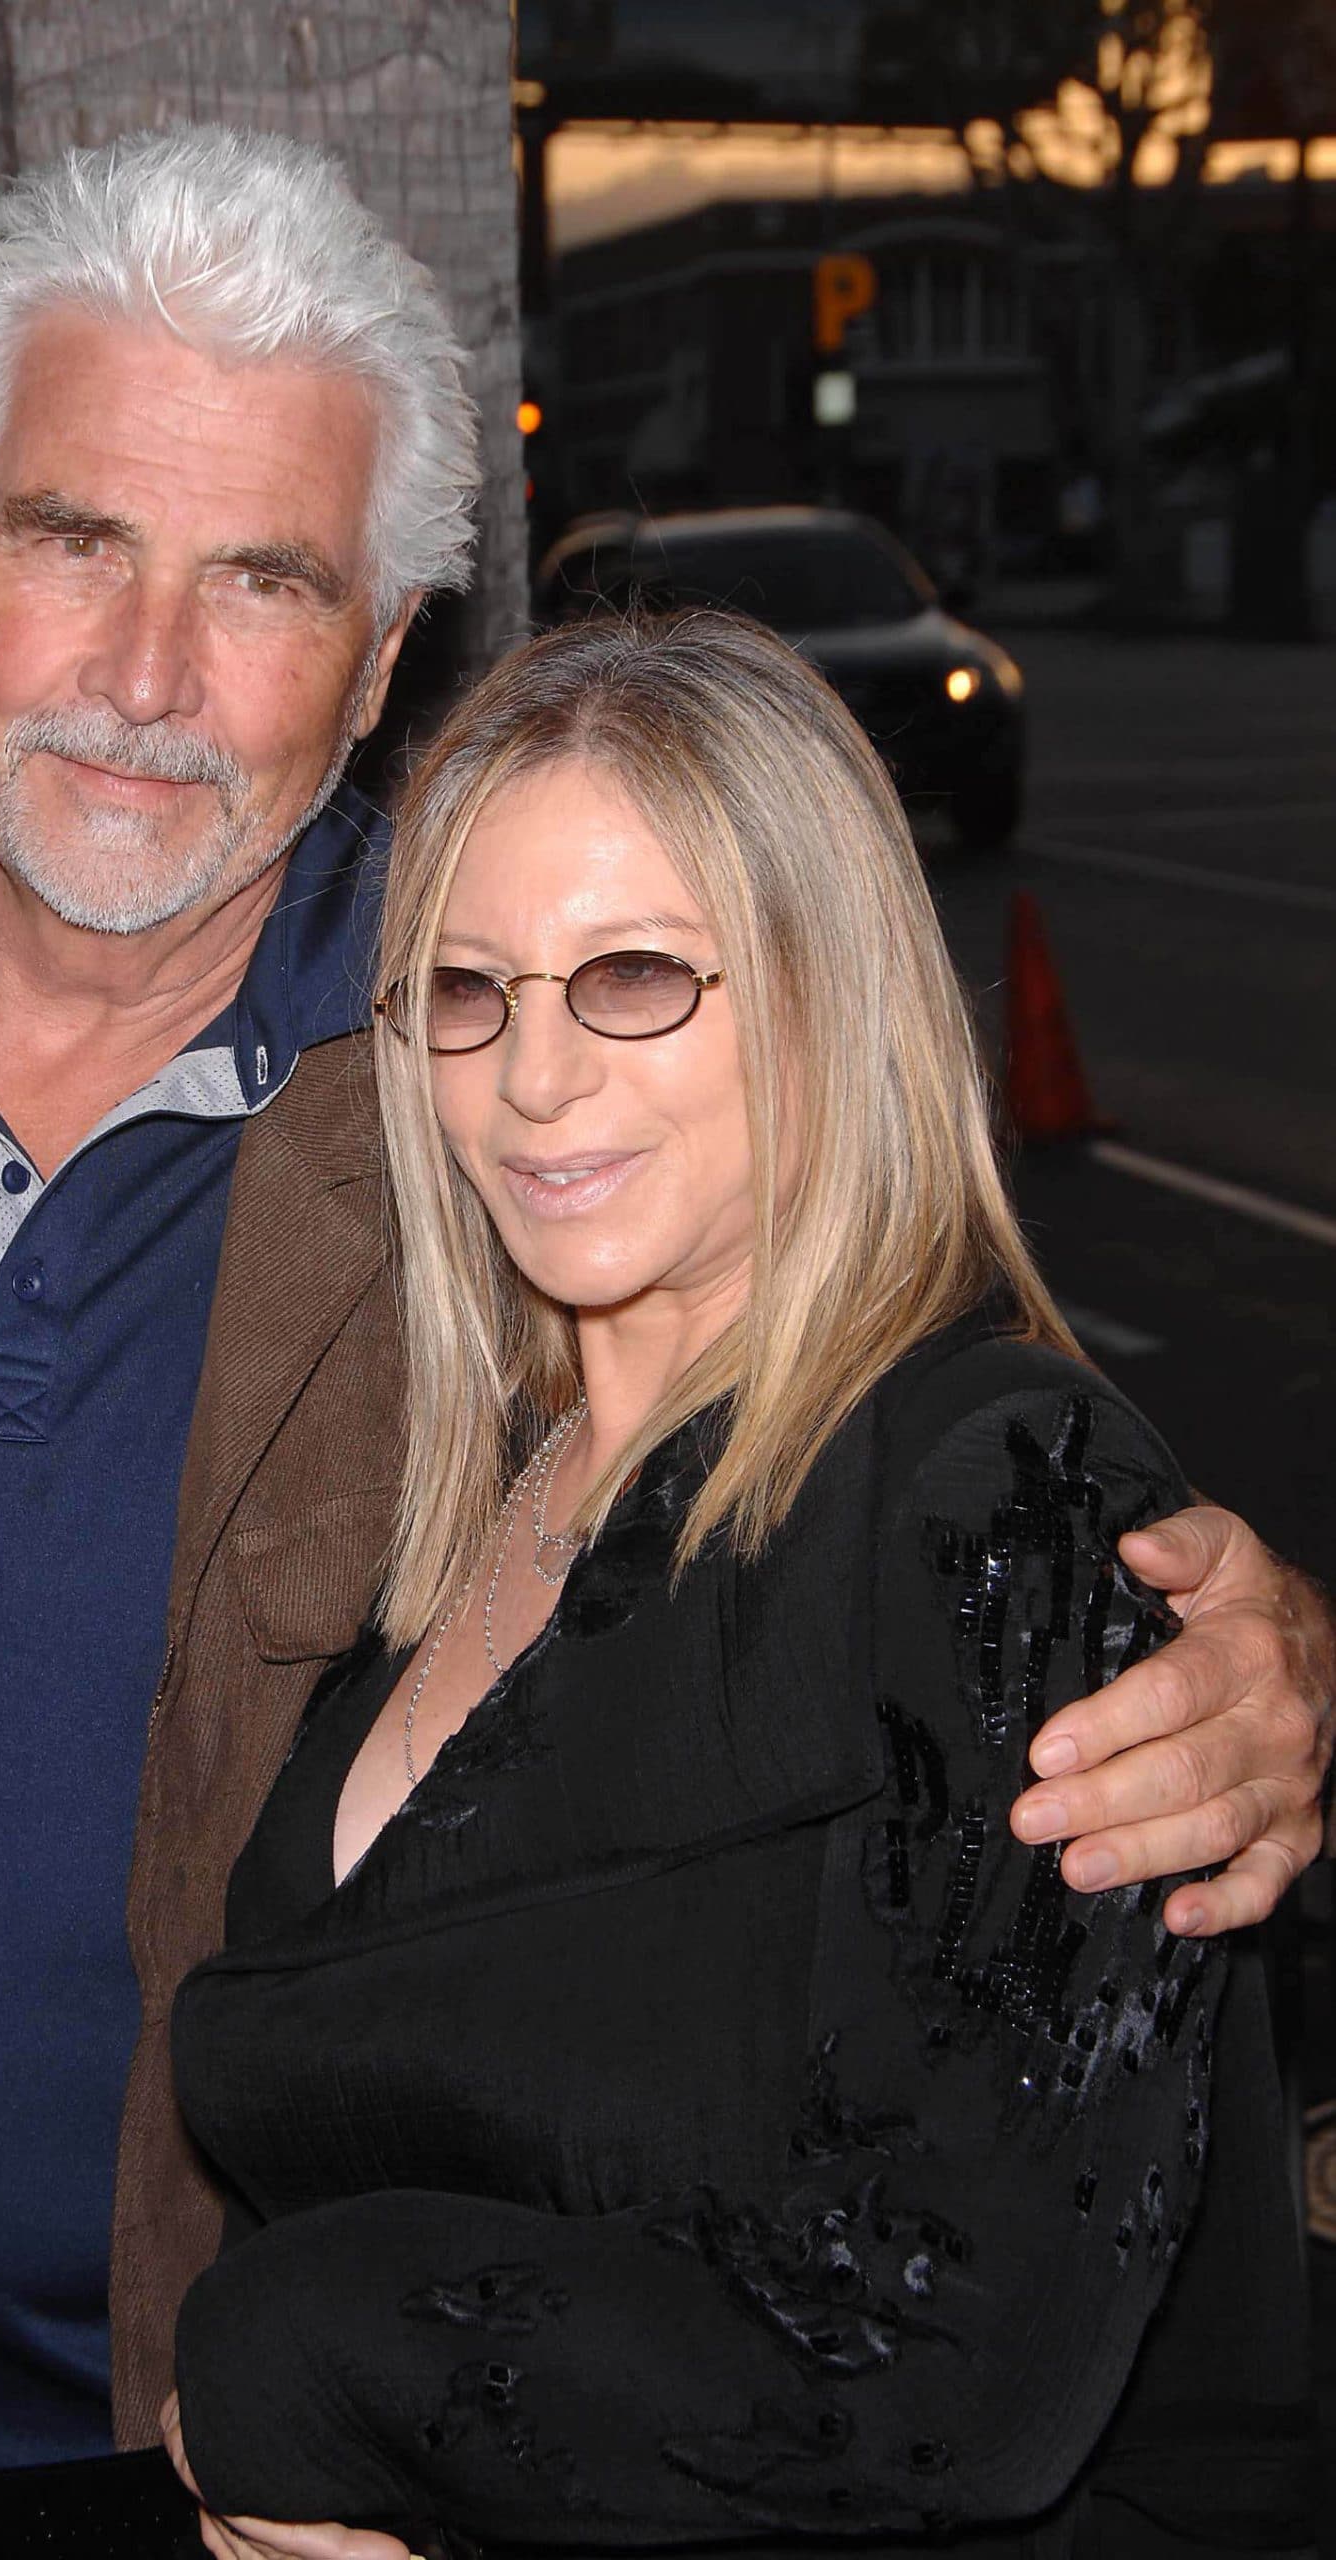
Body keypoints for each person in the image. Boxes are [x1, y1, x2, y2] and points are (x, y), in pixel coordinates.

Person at [0, 126, 1326, 2560]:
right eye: (73, 537)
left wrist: (1261, 1654)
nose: (147, 676)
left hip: (209, 2484)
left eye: (263, 575)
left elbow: (909, 1504)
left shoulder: (489, 1136)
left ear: (385, 642)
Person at [163, 613, 1316, 2560]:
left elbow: (951, 2359)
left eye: (633, 975)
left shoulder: (993, 1494)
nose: (530, 1076)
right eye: (465, 989)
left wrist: (289, 2366)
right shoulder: (472, 1510)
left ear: (822, 994)